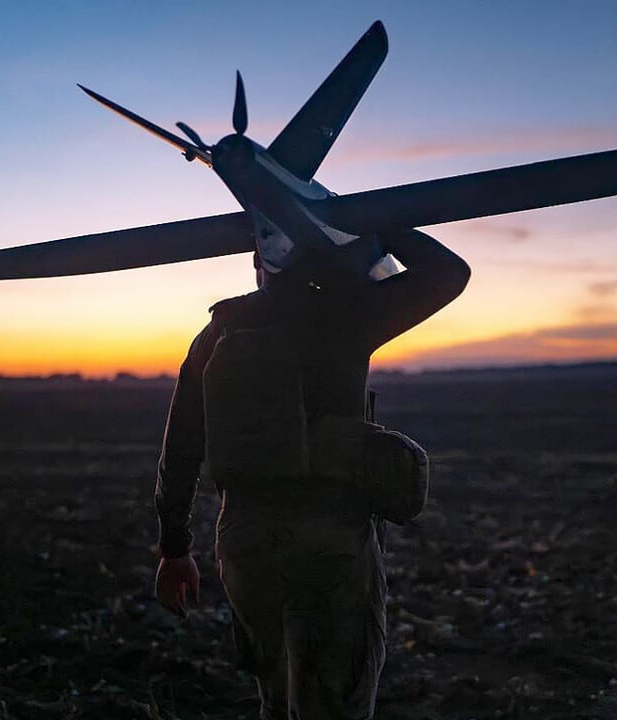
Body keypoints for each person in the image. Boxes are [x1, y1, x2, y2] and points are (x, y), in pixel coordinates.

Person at [152, 229, 469, 719]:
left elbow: (181, 446)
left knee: (275, 697)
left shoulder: (218, 333)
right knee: (335, 700)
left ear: (261, 263)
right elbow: (450, 274)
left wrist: (174, 549)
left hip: (245, 540)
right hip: (330, 535)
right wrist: (381, 223)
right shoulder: (347, 315)